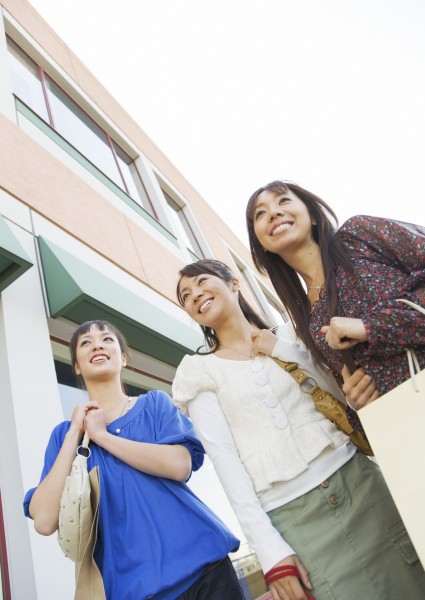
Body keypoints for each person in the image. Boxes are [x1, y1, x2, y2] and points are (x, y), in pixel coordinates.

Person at [172, 259, 425, 600]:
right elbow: (226, 463)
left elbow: (338, 394)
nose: (195, 295)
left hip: (361, 485)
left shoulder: (290, 335)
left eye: (202, 282)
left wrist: (282, 350)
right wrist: (270, 552)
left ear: (233, 284)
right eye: (186, 296)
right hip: (294, 519)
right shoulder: (198, 372)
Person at [24, 320, 243, 600]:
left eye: (107, 339)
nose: (97, 345)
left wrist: (102, 436)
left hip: (205, 572)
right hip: (134, 592)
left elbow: (179, 465)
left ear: (123, 358)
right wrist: (75, 433)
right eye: (86, 343)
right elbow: (43, 521)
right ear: (77, 366)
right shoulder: (64, 436)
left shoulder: (154, 404)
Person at [246, 180, 425, 414]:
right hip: (408, 422)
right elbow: (349, 396)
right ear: (262, 243)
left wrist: (371, 326)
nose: (274, 213)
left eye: (284, 200)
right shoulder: (308, 322)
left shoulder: (358, 236)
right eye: (261, 213)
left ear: (311, 215)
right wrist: (355, 399)